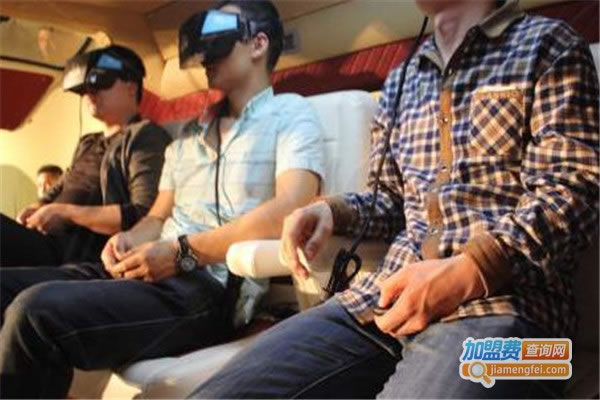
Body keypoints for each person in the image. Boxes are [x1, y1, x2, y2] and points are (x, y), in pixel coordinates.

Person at [191, 0, 599, 398]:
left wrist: (471, 269)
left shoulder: (549, 44)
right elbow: (389, 199)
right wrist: (332, 211)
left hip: (521, 328)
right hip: (382, 302)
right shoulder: (403, 78)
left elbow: (575, 188)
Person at [0, 1, 325, 398]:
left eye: (220, 36)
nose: (205, 55)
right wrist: (127, 240)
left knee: (35, 313)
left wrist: (183, 253)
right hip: (153, 268)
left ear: (258, 44)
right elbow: (156, 217)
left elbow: (291, 208)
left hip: (210, 288)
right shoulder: (188, 135)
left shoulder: (292, 113)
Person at [1, 45, 171, 267]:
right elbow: (59, 188)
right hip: (41, 239)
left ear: (131, 87)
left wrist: (67, 213)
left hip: (72, 257)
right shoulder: (88, 142)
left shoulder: (145, 136)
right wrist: (38, 206)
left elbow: (143, 214)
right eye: (84, 90)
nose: (90, 94)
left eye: (100, 84)